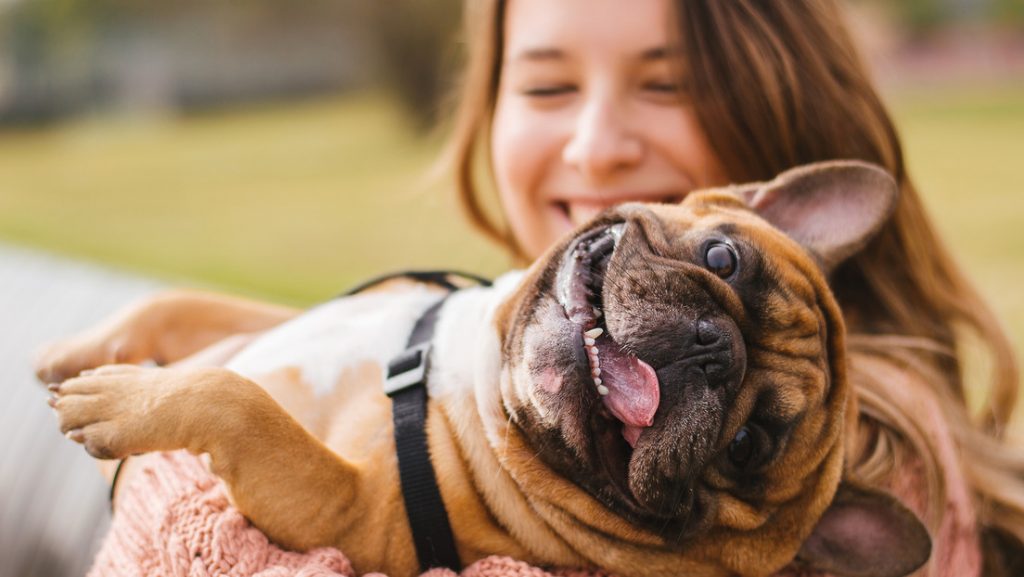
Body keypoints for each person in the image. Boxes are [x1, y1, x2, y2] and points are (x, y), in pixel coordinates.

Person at [35, 1, 1023, 575]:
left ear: (781, 106)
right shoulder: (502, 336)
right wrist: (175, 327)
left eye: (663, 84)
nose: (596, 145)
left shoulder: (880, 455)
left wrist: (158, 462)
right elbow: (334, 346)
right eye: (548, 87)